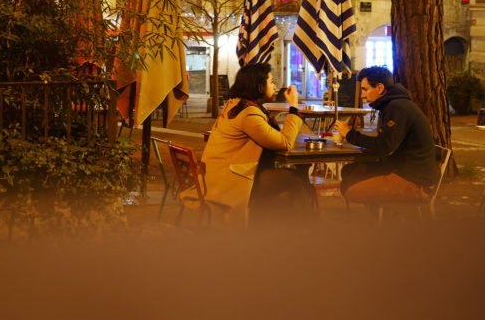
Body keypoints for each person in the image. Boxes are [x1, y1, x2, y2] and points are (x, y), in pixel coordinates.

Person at [188, 62, 307, 225]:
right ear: (259, 87)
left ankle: (275, 229)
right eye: (271, 81)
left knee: (288, 182)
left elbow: (273, 137)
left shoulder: (236, 105)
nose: (275, 86)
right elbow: (284, 142)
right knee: (295, 181)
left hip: (221, 175)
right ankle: (308, 229)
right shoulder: (248, 114)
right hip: (232, 180)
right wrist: (293, 106)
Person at [334, 66, 438, 204]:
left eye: (365, 89)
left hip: (414, 180)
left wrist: (350, 134)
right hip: (402, 168)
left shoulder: (397, 107)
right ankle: (380, 216)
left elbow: (385, 146)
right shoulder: (392, 104)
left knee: (350, 189)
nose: (362, 95)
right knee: (350, 171)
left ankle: (388, 221)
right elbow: (386, 143)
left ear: (380, 88)